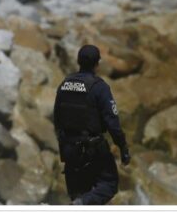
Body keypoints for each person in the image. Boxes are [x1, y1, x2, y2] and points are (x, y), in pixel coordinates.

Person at [53, 44, 131, 205]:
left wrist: (65, 140)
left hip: (68, 149)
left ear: (78, 61)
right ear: (97, 63)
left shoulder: (64, 85)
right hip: (91, 149)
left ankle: (79, 202)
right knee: (108, 185)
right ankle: (81, 204)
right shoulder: (99, 87)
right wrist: (123, 147)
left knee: (78, 193)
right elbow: (112, 122)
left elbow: (57, 118)